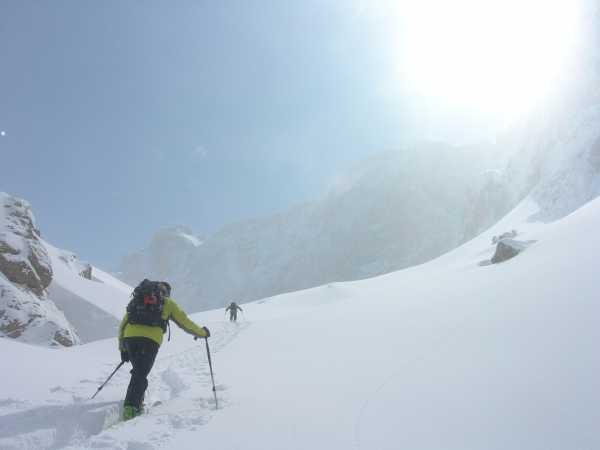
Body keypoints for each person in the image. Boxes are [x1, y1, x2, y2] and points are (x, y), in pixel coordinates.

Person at [118, 279, 210, 420]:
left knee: (139, 372)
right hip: (149, 341)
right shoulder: (167, 303)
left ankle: (137, 403)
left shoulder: (138, 300)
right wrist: (202, 333)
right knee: (140, 374)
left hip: (130, 339)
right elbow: (185, 322)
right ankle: (130, 409)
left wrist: (123, 349)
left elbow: (123, 324)